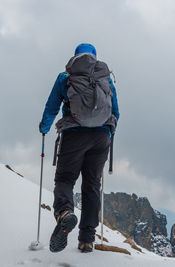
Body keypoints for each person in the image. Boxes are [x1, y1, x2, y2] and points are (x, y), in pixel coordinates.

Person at [39, 43, 120, 253]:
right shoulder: (105, 79)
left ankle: (65, 213)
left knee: (65, 179)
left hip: (74, 134)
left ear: (75, 58)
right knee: (92, 185)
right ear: (95, 58)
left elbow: (52, 106)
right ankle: (87, 240)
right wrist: (109, 133)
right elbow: (116, 112)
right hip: (101, 137)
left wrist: (44, 127)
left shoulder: (66, 78)